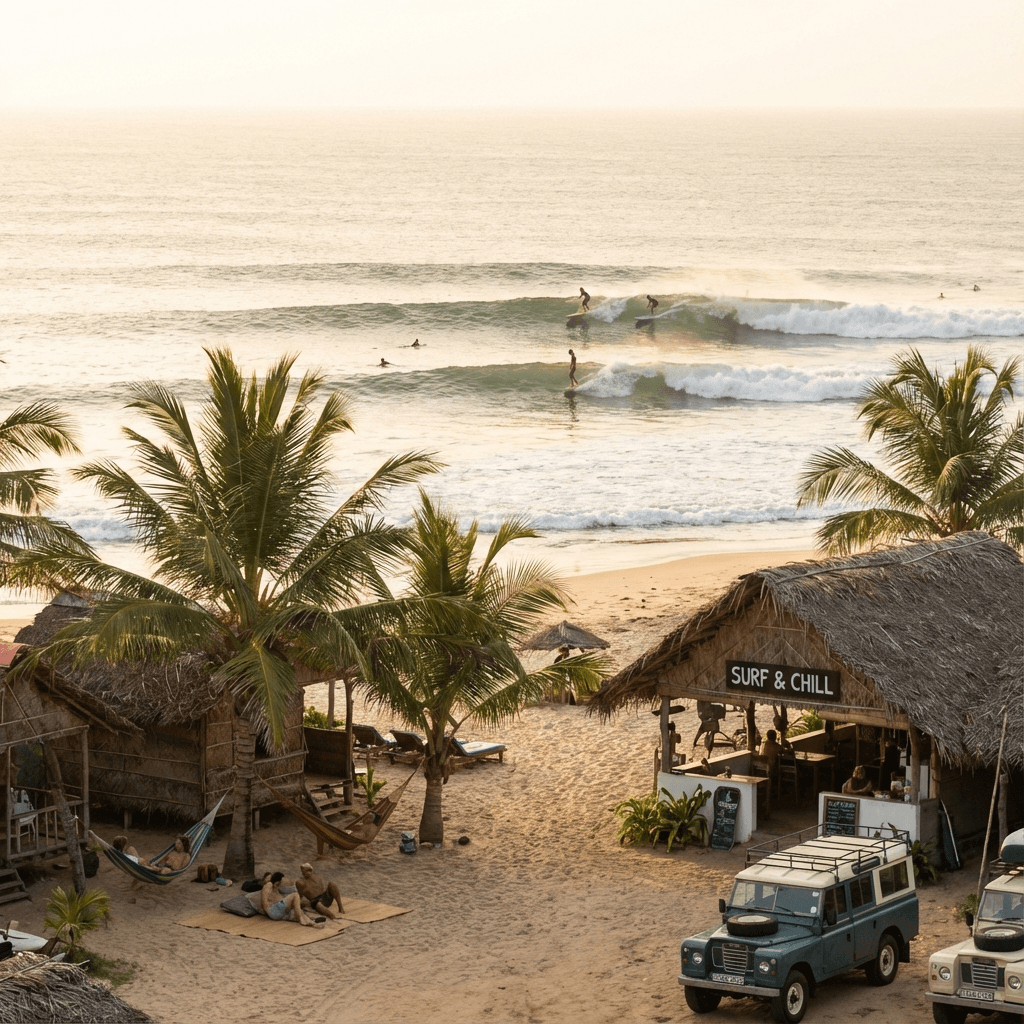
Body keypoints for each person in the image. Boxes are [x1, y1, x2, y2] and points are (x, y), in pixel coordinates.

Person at [246, 871, 325, 928]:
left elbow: (288, 885)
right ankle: (303, 920)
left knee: (297, 911)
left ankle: (312, 922)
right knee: (295, 895)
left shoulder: (275, 888)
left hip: (277, 912)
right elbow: (264, 903)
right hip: (273, 911)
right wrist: (268, 913)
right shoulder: (268, 886)